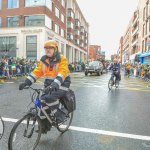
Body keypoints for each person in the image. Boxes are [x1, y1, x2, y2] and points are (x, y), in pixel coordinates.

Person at [19, 40, 71, 133]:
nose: (48, 50)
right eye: (46, 48)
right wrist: (27, 82)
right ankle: (45, 126)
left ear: (55, 49)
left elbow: (62, 72)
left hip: (62, 84)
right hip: (49, 84)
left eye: (50, 48)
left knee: (48, 98)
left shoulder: (62, 59)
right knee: (40, 103)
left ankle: (60, 116)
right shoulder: (44, 60)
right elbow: (37, 72)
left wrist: (55, 85)